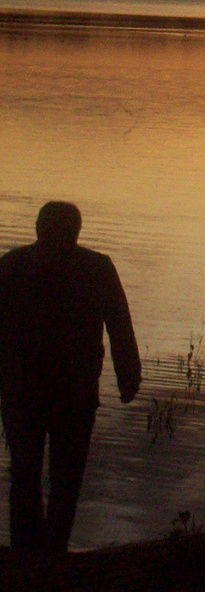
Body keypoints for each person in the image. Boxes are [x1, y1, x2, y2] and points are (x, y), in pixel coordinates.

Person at [0, 201, 140, 553]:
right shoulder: (95, 268)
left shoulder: (14, 265)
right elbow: (120, 326)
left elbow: (119, 324)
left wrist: (129, 374)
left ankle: (33, 555)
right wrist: (128, 375)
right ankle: (46, 553)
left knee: (29, 476)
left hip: (38, 391)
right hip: (54, 392)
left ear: (38, 228)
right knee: (56, 478)